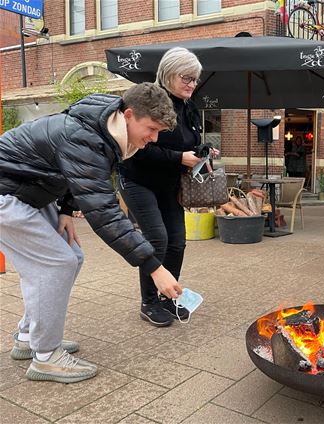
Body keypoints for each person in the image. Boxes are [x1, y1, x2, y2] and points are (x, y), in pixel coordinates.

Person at [0, 82, 182, 383]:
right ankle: (45, 357)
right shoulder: (85, 137)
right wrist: (154, 267)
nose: (153, 138)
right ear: (128, 114)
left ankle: (28, 336)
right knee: (57, 263)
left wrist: (67, 210)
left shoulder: (104, 129)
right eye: (150, 128)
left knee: (73, 254)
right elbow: (105, 214)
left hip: (29, 192)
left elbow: (74, 174)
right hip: (8, 196)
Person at [119, 47, 218, 327]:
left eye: (195, 79)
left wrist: (201, 151)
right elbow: (137, 148)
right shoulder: (150, 100)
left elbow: (185, 145)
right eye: (186, 77)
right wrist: (179, 157)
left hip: (169, 183)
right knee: (157, 239)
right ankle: (149, 302)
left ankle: (168, 297)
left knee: (177, 241)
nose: (191, 84)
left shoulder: (189, 107)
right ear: (168, 74)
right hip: (138, 179)